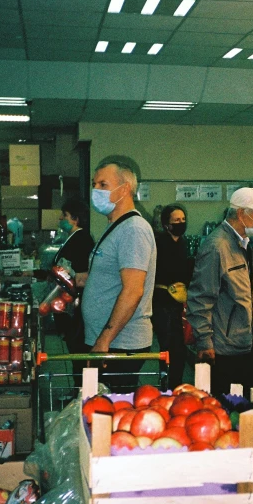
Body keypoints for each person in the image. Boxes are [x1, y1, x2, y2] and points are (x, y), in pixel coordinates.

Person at [187, 187, 253, 397]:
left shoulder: (241, 243)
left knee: (244, 406)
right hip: (223, 349)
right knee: (225, 406)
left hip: (244, 343)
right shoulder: (217, 246)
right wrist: (204, 342)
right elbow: (200, 298)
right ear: (241, 214)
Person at [82, 155, 156, 390]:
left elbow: (133, 290)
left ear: (125, 189)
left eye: (103, 185)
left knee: (111, 416)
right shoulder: (116, 226)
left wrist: (105, 340)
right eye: (94, 184)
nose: (96, 190)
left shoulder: (133, 229)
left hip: (120, 343)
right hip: (107, 340)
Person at [152, 204, 191, 390]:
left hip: (178, 304)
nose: (181, 223)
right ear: (167, 224)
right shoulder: (159, 243)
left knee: (179, 348)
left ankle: (176, 384)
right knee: (168, 347)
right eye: (176, 220)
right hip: (162, 303)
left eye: (183, 220)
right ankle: (167, 385)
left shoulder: (182, 243)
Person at [53, 198, 94, 368]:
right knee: (73, 346)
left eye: (65, 215)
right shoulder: (72, 238)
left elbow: (82, 276)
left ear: (75, 219)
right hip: (68, 300)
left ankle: (81, 389)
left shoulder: (82, 239)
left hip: (76, 303)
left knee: (78, 347)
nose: (61, 218)